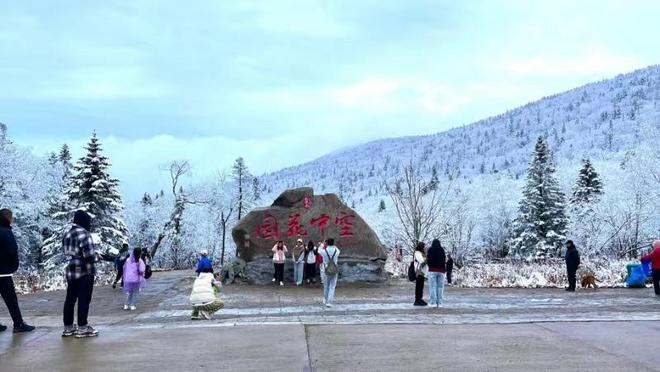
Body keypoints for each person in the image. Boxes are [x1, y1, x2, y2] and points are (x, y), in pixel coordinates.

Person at [62, 210, 99, 338]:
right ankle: (82, 327)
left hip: (71, 272)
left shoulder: (67, 234)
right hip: (85, 272)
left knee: (70, 300)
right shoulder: (85, 234)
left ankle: (68, 327)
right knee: (84, 300)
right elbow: (89, 256)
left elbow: (67, 253)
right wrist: (97, 257)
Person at [0, 209, 35, 333]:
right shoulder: (6, 232)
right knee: (11, 300)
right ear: (8, 218)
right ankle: (18, 323)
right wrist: (14, 266)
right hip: (3, 272)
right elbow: (12, 250)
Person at [320, 238, 340, 307]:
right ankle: (329, 301)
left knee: (326, 285)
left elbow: (319, 251)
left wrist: (322, 245)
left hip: (326, 269)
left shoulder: (324, 251)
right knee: (332, 286)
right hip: (334, 269)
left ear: (327, 243)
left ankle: (325, 299)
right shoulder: (336, 251)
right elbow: (338, 250)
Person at [426, 239, 446, 307]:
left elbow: (428, 259)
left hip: (432, 270)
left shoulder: (430, 250)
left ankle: (433, 302)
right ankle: (440, 303)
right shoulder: (442, 250)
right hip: (441, 271)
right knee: (440, 287)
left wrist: (430, 265)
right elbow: (444, 260)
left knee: (432, 287)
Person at [413, 242, 428, 306]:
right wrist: (426, 258)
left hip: (422, 272)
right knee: (419, 286)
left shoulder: (421, 253)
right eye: (424, 247)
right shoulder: (417, 253)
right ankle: (417, 299)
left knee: (421, 286)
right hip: (419, 271)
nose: (424, 248)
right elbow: (421, 261)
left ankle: (420, 299)